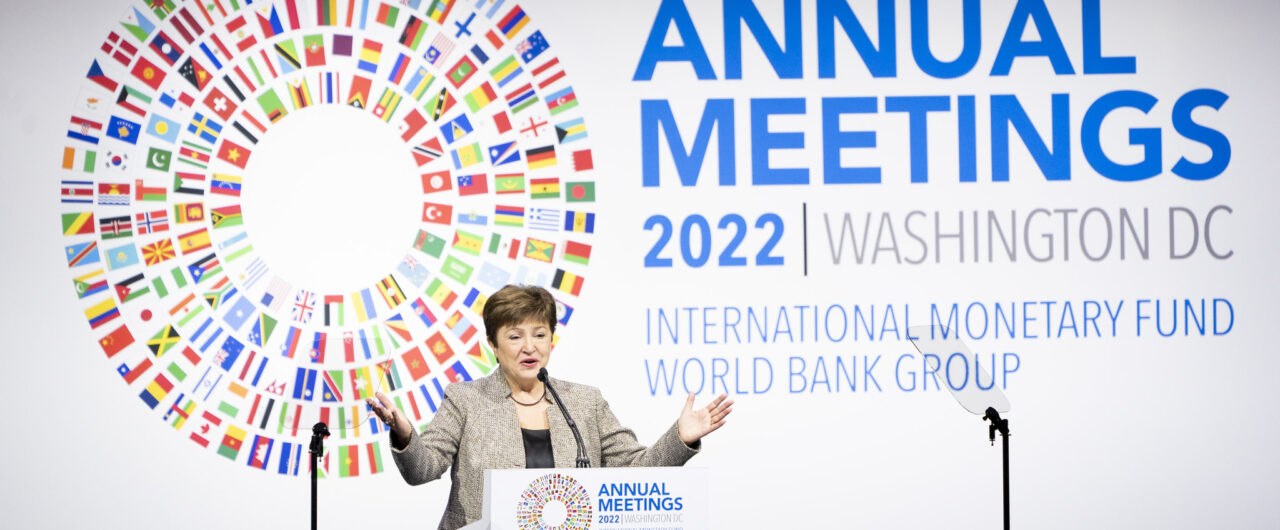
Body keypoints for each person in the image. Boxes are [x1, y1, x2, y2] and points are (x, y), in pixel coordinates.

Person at [366, 284, 733, 529]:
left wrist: (680, 438)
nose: (530, 347)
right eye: (515, 336)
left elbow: (636, 470)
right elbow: (423, 469)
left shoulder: (583, 402)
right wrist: (403, 432)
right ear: (492, 344)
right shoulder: (466, 399)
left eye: (540, 335)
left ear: (551, 340)